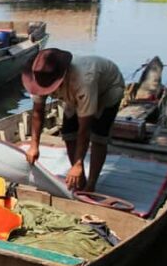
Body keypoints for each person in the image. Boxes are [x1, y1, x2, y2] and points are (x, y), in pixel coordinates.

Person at [23, 48, 126, 193]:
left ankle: (91, 185)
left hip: (107, 90)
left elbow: (85, 129)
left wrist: (78, 163)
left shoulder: (84, 79)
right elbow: (38, 112)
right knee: (68, 133)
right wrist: (34, 145)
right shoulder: (41, 76)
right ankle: (80, 179)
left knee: (98, 137)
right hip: (71, 93)